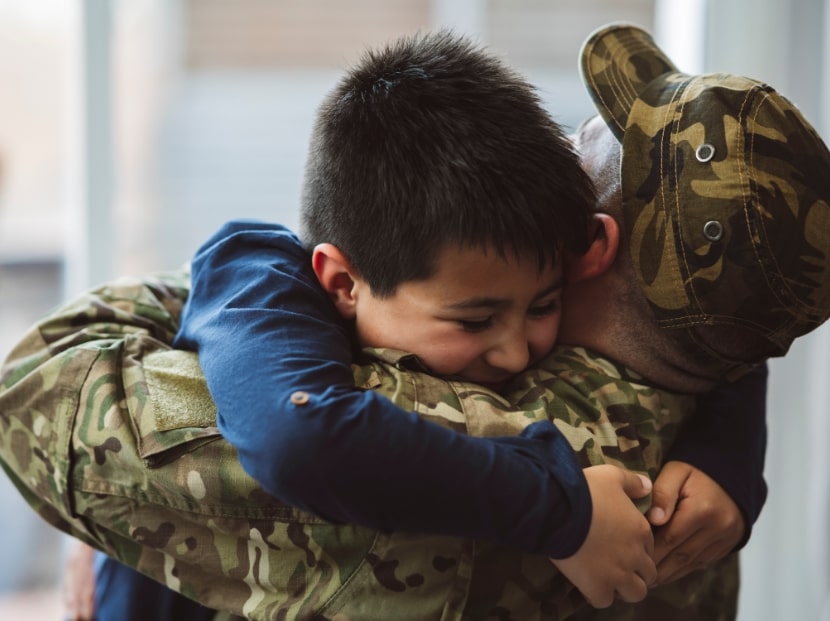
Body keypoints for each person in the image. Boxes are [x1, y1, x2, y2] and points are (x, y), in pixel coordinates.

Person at [4, 21, 827, 619]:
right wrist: (570, 507)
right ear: (340, 282)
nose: (515, 350)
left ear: (594, 249)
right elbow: (298, 431)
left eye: (540, 304)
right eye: (477, 319)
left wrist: (728, 450)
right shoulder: (262, 279)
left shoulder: (472, 325)